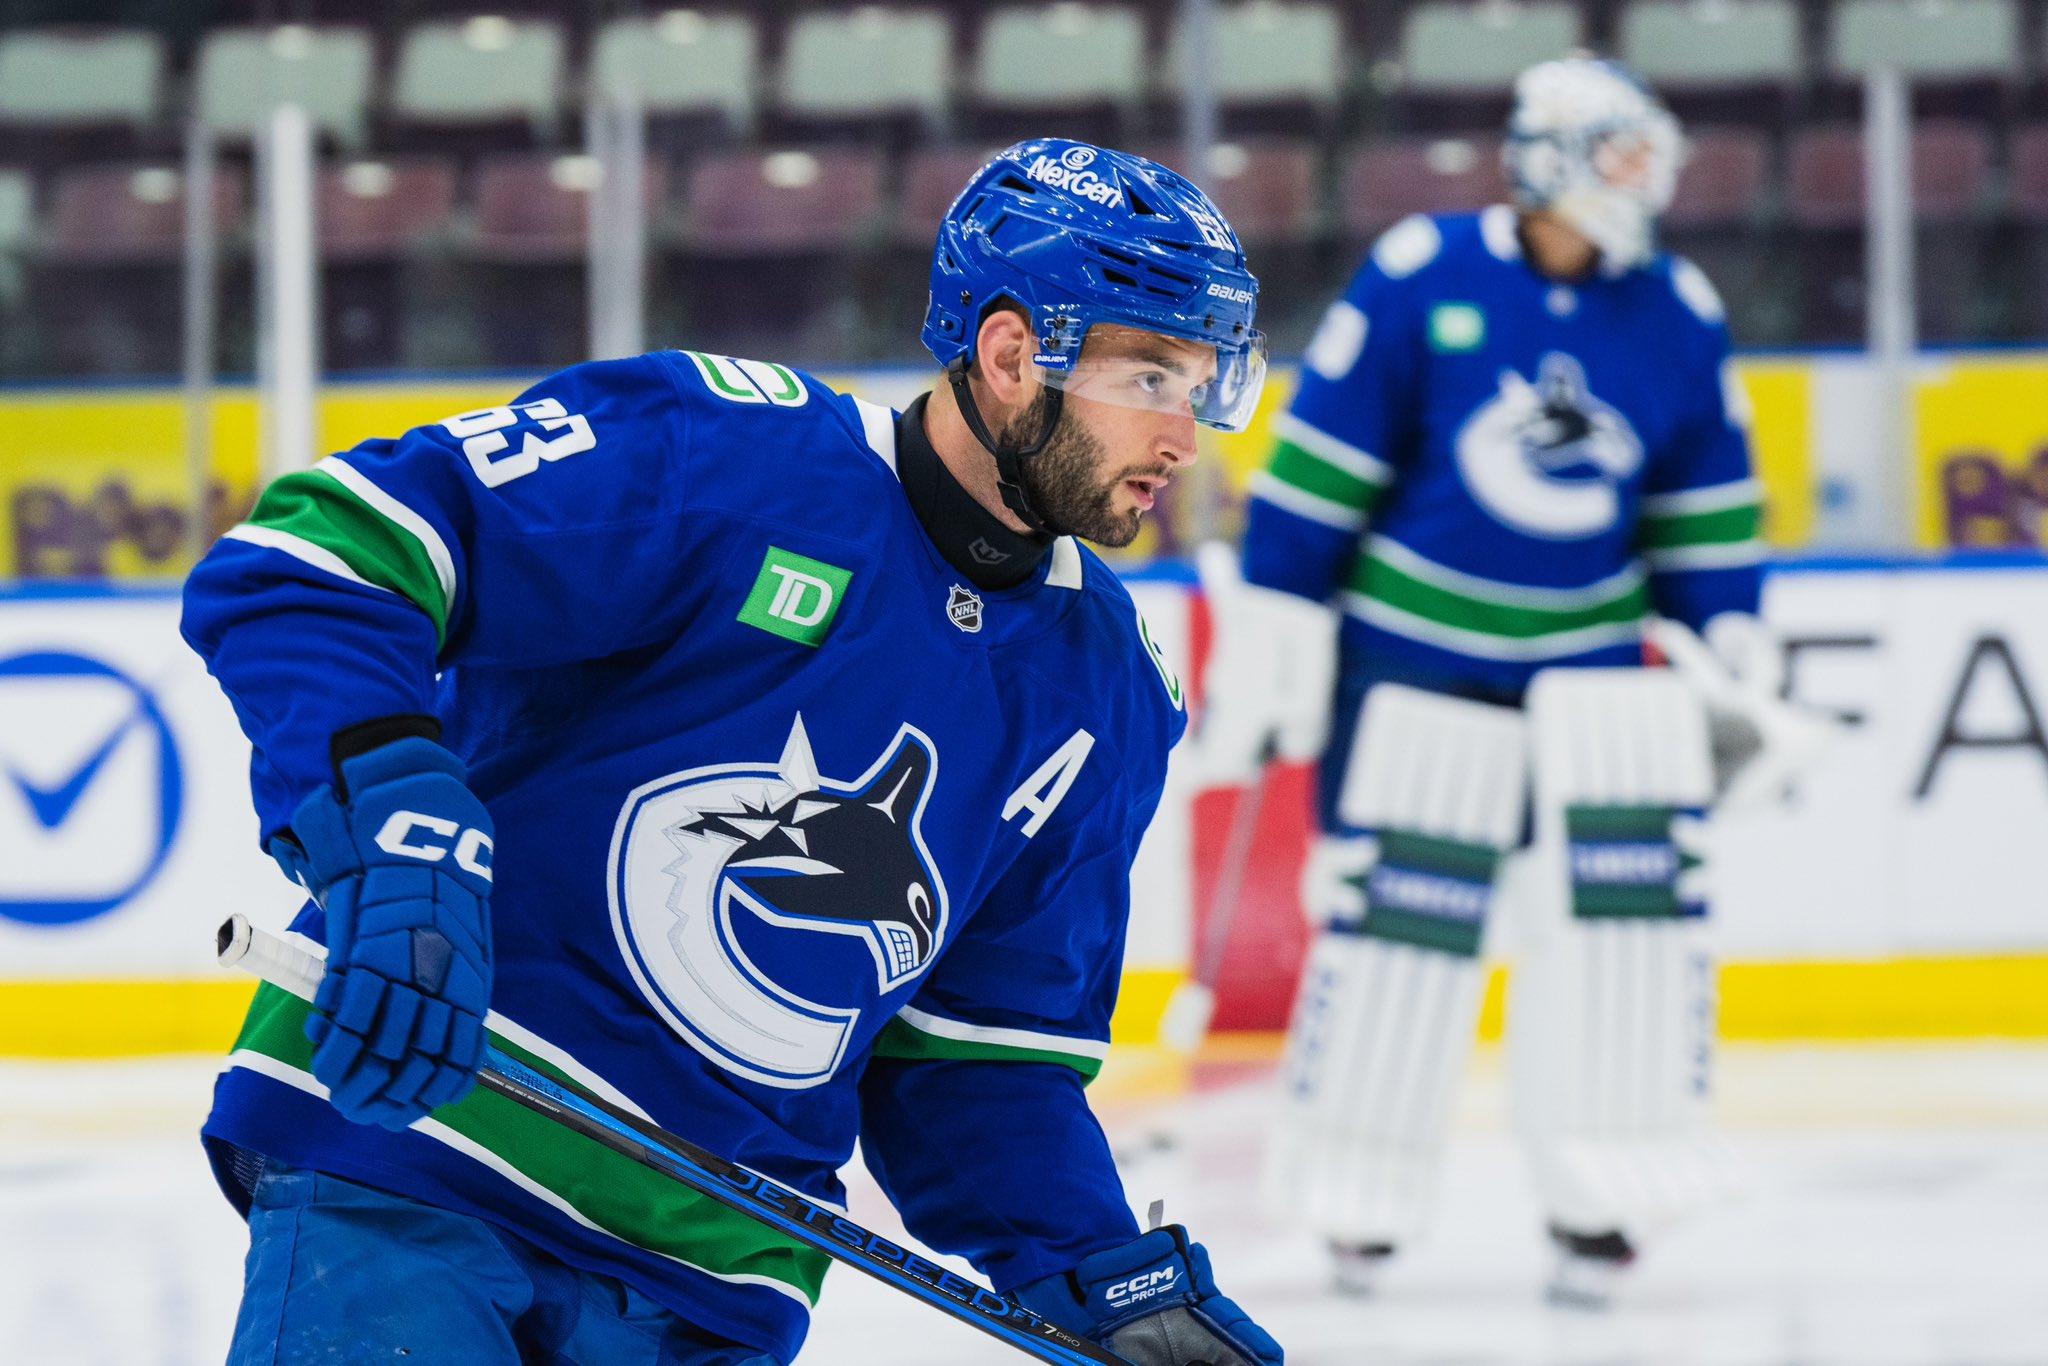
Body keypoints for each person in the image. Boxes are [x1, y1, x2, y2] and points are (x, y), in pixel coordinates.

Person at [184, 138, 1284, 1366]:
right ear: (1013, 352)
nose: (1185, 437)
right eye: (1148, 377)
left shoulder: (1107, 691)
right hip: (424, 1157)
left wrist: (1096, 1268)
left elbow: (972, 1066)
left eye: (1203, 386)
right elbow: (315, 566)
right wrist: (391, 821)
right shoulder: (725, 454)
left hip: (711, 1283)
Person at [1203, 58, 1782, 1303]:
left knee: (1613, 932)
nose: (1646, 181)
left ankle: (1598, 1195)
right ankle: (1358, 1190)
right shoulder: (1425, 271)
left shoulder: (1675, 306)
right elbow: (1322, 468)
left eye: (1647, 156)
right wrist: (1278, 612)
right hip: (1411, 665)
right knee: (1396, 924)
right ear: (1547, 159)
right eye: (1621, 156)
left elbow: (1700, 503)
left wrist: (1726, 635)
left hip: (1590, 675)